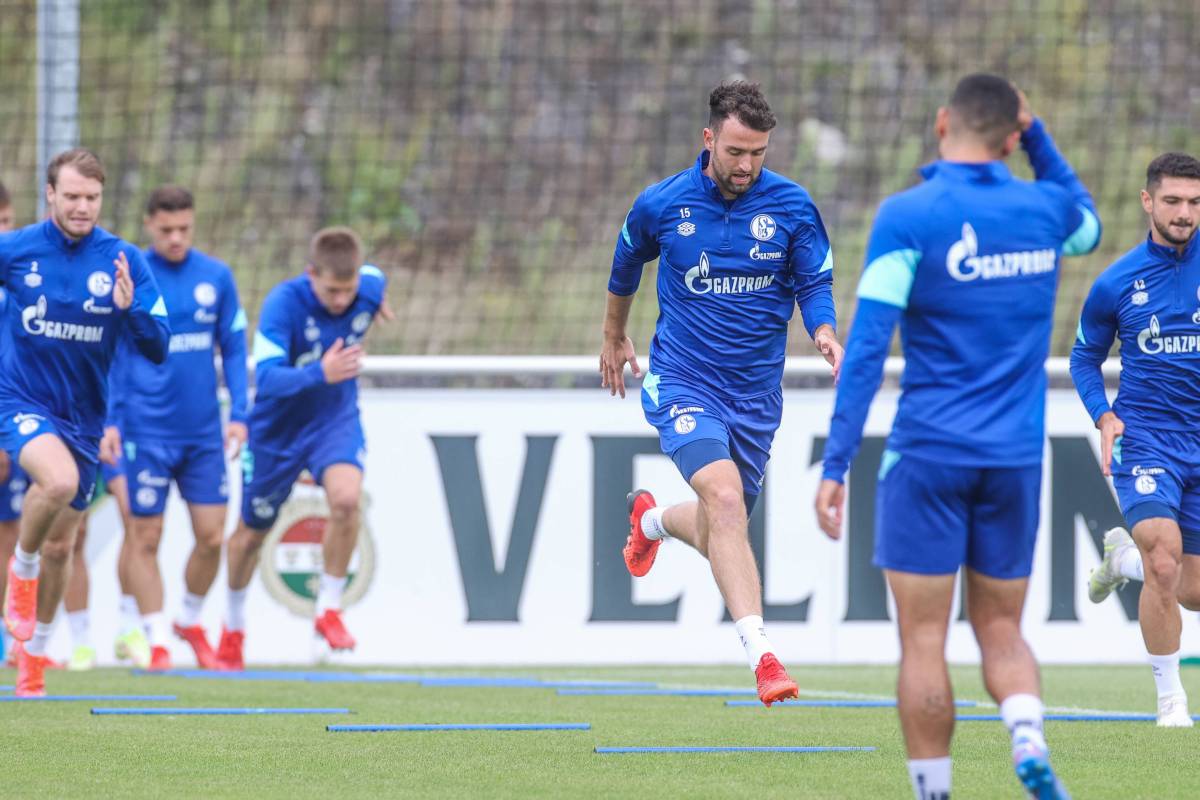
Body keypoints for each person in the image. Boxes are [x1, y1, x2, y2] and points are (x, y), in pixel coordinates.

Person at [815, 75, 1100, 799]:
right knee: (1002, 630)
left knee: (923, 641)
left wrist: (837, 461)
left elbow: (866, 350)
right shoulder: (1046, 210)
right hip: (1013, 460)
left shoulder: (909, 215)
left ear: (943, 122)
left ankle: (934, 792)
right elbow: (1090, 224)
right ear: (1013, 136)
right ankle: (1026, 732)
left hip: (929, 456)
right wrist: (1038, 138)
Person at [601, 81, 843, 706]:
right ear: (708, 138)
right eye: (735, 151)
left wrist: (822, 330)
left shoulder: (791, 206)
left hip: (755, 398)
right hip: (683, 380)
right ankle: (763, 656)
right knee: (726, 499)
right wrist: (613, 335)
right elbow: (625, 265)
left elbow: (813, 282)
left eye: (757, 153)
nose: (745, 165)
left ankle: (651, 520)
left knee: (721, 525)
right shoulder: (663, 204)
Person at [0, 148, 169, 696]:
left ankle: (35, 652)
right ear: (50, 193)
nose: (82, 207)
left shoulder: (123, 260)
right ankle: (20, 572)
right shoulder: (16, 249)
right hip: (20, 400)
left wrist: (131, 308)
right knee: (59, 482)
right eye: (71, 196)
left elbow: (159, 346)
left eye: (92, 197)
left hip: (84, 420)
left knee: (62, 548)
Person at [216, 226, 387, 670]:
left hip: (334, 420)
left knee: (347, 500)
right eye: (332, 291)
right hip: (277, 431)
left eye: (349, 291)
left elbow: (375, 276)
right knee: (251, 535)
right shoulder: (283, 304)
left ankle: (329, 610)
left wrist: (377, 300)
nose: (341, 300)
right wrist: (319, 373)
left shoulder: (367, 288)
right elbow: (267, 378)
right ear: (311, 274)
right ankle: (233, 625)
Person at [1075, 152, 1200, 727]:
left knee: (1189, 589)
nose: (1184, 213)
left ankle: (1121, 560)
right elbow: (1084, 357)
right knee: (1164, 557)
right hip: (1146, 441)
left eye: (1194, 202)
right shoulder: (1117, 281)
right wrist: (1103, 415)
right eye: (1173, 200)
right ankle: (1171, 700)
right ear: (1149, 201)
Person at [105, 186, 248, 670]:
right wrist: (110, 420)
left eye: (184, 228)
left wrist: (240, 414)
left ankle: (188, 618)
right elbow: (111, 356)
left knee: (211, 537)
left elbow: (234, 349)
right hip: (145, 430)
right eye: (166, 229)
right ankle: (156, 638)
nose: (175, 238)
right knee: (145, 535)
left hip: (203, 433)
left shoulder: (216, 276)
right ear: (149, 224)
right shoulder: (131, 276)